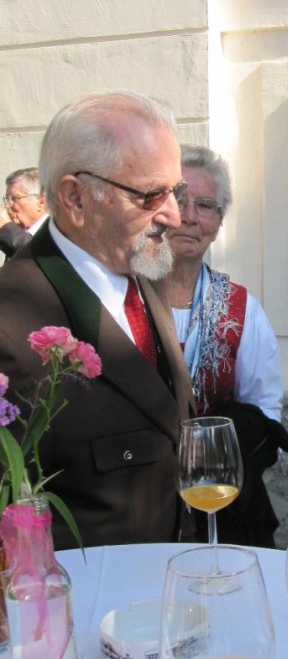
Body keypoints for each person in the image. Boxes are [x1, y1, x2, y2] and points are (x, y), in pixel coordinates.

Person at [0, 91, 196, 549]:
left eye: (177, 191)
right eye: (151, 195)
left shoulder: (142, 269)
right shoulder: (11, 322)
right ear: (76, 197)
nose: (174, 215)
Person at [160, 145, 288, 548]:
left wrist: (230, 450)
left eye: (205, 205)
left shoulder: (241, 308)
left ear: (218, 223)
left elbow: (265, 410)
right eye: (178, 200)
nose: (189, 216)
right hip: (144, 501)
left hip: (221, 504)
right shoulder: (123, 300)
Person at [4, 167, 48, 235]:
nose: (8, 205)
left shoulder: (57, 232)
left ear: (41, 202)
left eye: (15, 198)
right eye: (7, 199)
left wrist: (8, 229)